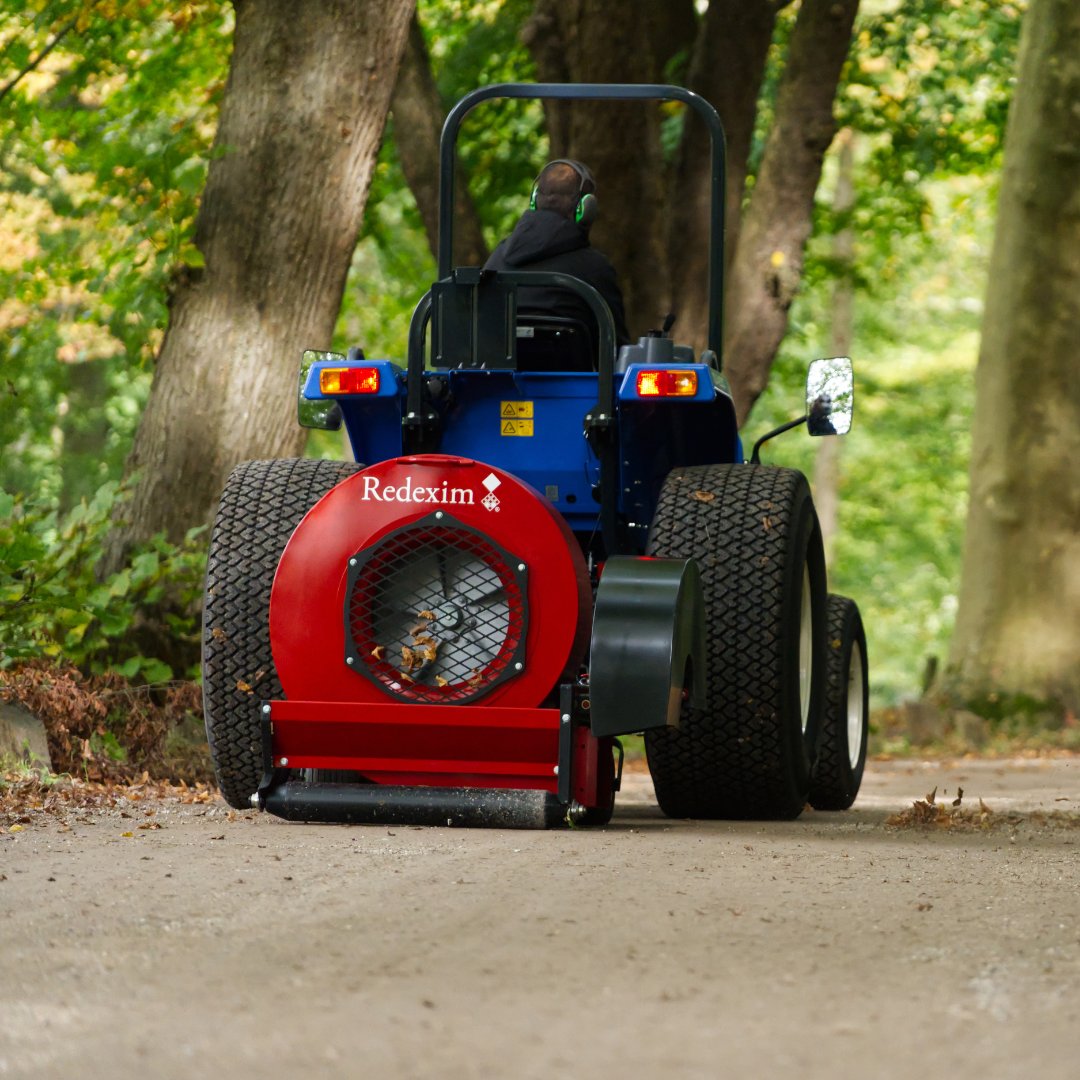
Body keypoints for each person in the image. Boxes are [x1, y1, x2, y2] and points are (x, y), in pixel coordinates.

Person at [484, 159, 631, 352]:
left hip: (497, 382)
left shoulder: (496, 260)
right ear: (585, 209)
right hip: (575, 382)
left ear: (534, 200)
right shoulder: (596, 268)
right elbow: (614, 348)